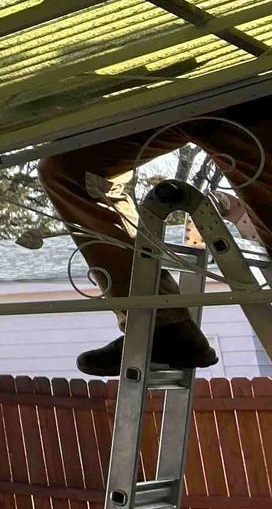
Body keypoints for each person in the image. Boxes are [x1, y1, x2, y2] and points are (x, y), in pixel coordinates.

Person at [37, 97, 272, 376]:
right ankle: (161, 326)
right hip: (168, 92)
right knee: (67, 171)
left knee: (237, 118)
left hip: (244, 89)